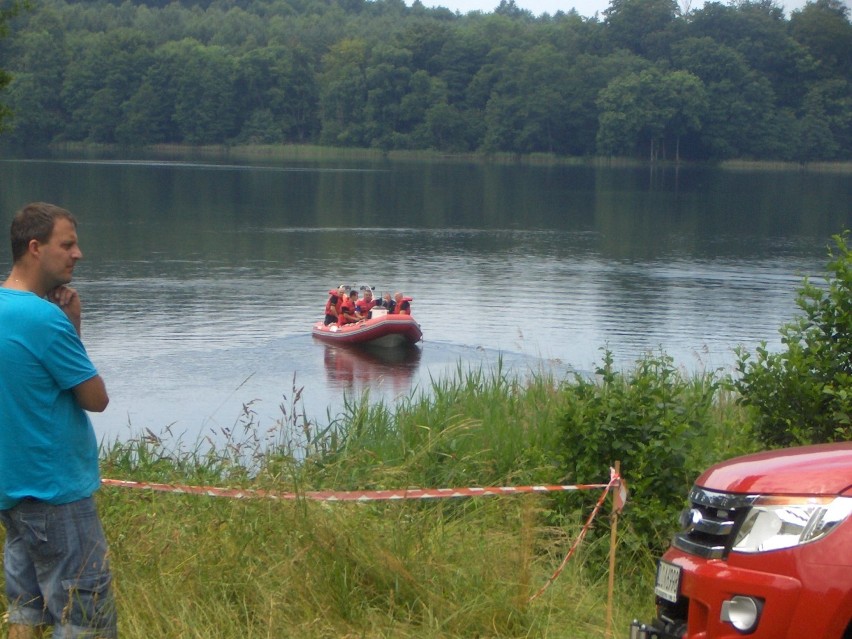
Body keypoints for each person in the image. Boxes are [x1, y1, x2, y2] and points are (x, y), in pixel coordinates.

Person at [0, 202, 117, 639]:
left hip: (12, 494)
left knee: (25, 610)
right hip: (56, 495)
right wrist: (72, 328)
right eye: (67, 244)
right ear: (35, 248)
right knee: (84, 620)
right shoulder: (45, 319)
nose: (78, 254)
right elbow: (95, 398)